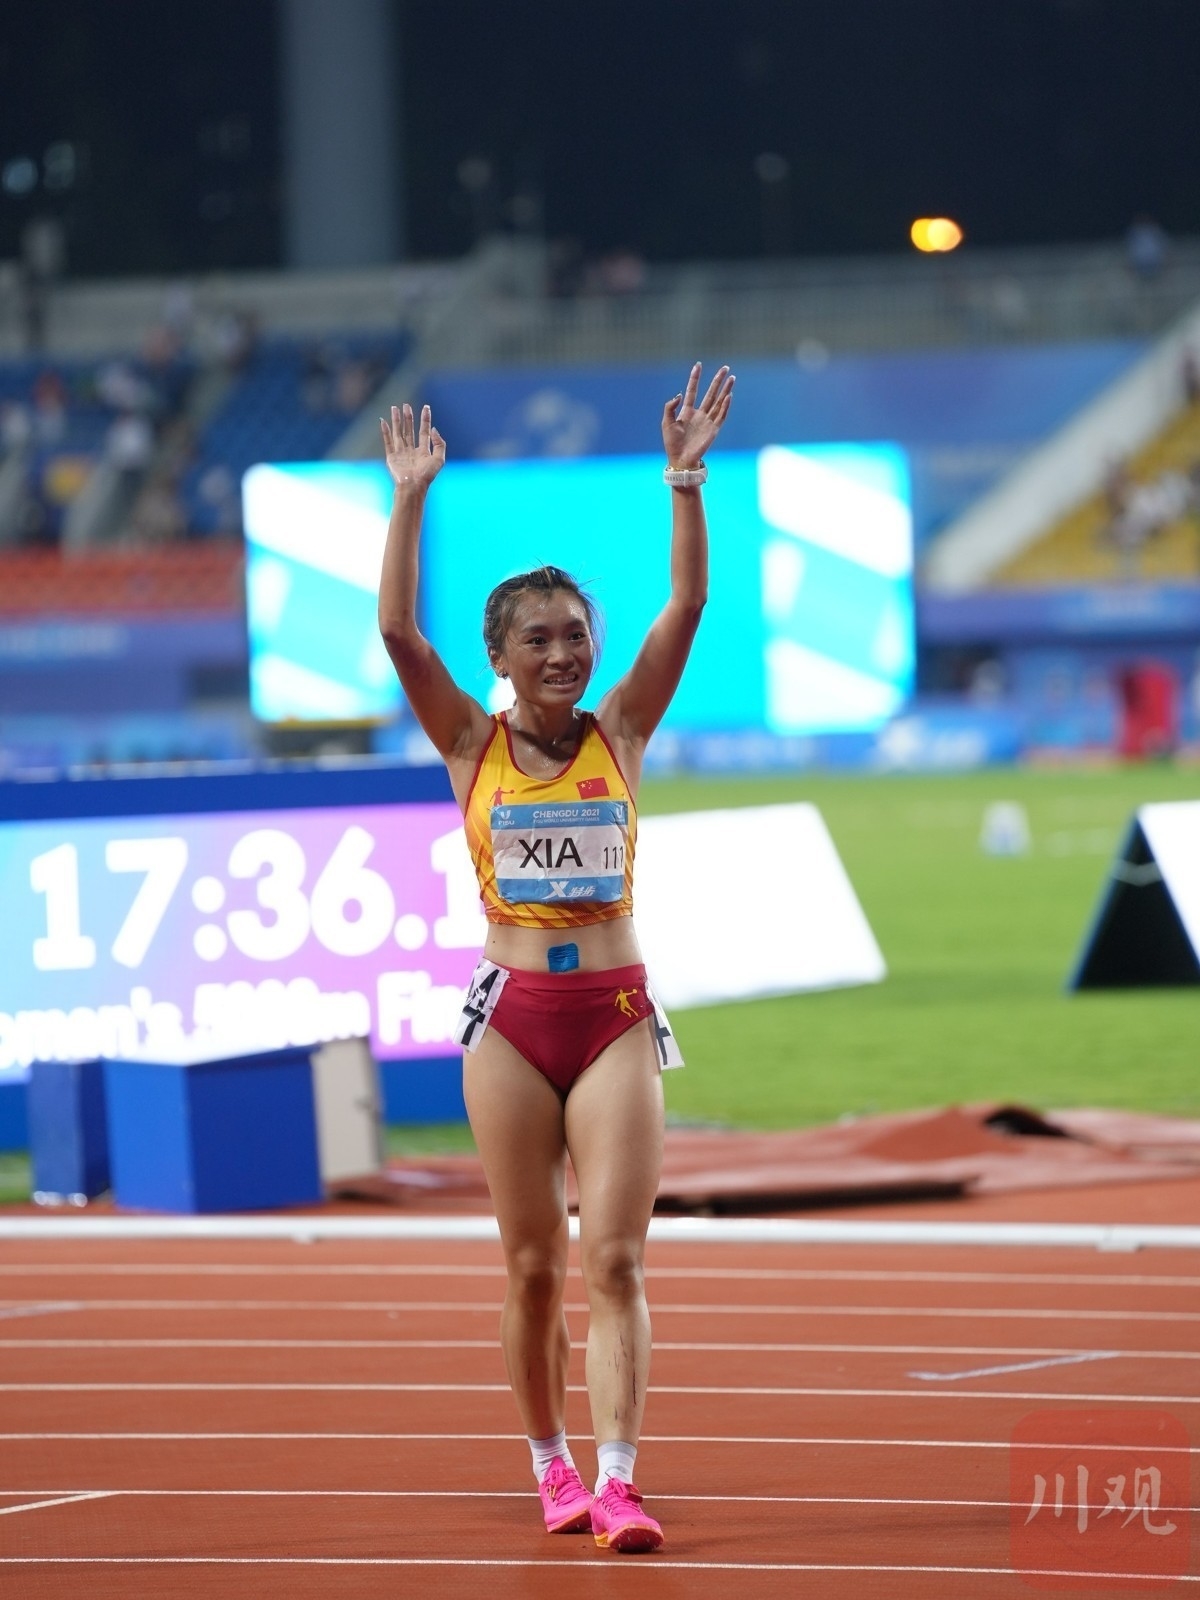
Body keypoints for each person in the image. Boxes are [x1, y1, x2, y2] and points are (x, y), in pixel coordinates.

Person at [376, 362, 735, 1555]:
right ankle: (551, 1464)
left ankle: (620, 1479)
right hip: (512, 1021)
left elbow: (685, 608)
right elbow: (396, 631)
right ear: (502, 653)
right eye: (540, 639)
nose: (565, 654)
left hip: (615, 1012)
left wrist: (684, 482)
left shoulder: (620, 730)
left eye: (577, 635)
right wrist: (410, 498)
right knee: (533, 1267)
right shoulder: (467, 743)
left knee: (616, 1258)